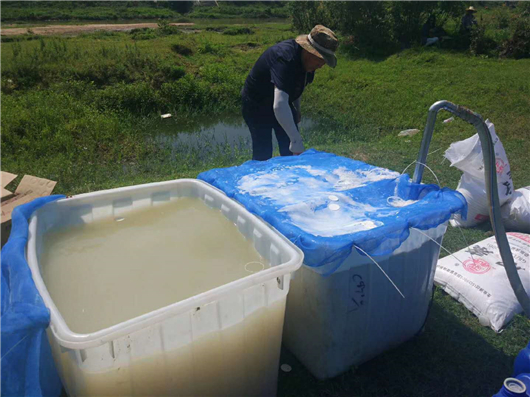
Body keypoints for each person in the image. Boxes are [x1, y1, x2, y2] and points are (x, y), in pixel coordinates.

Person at [241, 25, 339, 161]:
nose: (322, 65)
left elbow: (293, 86)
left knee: (290, 151)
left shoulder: (308, 63)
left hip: (282, 101)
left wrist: (296, 109)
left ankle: (289, 181)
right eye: (321, 59)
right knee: (263, 153)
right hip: (257, 104)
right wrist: (296, 140)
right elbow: (279, 105)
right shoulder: (285, 58)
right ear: (309, 51)